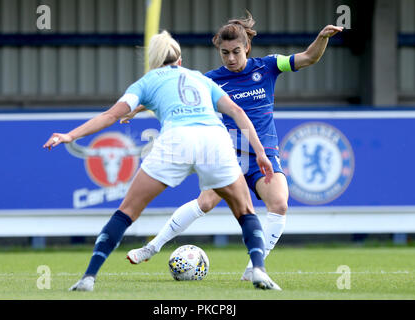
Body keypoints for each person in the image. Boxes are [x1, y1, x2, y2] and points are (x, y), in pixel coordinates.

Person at [43, 30, 281, 291]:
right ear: (179, 60)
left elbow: (111, 115)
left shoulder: (147, 81)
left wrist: (70, 135)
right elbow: (236, 111)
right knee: (245, 211)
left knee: (127, 211)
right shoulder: (200, 78)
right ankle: (258, 270)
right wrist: (259, 152)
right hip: (214, 138)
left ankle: (88, 277)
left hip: (177, 140)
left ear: (153, 61)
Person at [125, 12, 343, 281]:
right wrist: (135, 107)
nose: (230, 58)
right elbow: (173, 90)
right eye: (224, 52)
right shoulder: (211, 79)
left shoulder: (269, 66)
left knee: (280, 204)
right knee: (205, 202)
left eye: (235, 52)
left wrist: (322, 38)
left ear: (247, 47)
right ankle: (151, 247)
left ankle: (253, 270)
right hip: (228, 153)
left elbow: (309, 57)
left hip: (264, 153)